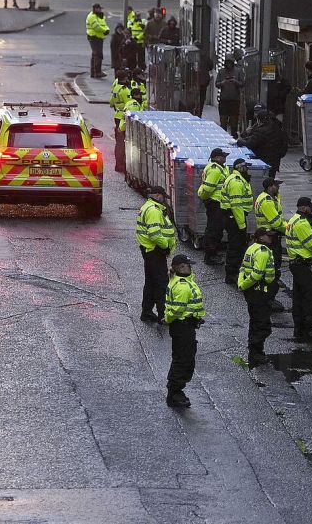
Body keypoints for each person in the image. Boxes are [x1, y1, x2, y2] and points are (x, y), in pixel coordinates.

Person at [164, 254, 205, 408]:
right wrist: (170, 319)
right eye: (187, 265)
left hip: (185, 326)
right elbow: (177, 310)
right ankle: (174, 393)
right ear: (180, 267)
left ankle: (175, 391)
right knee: (183, 360)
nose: (190, 267)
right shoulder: (182, 286)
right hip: (182, 327)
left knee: (184, 358)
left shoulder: (183, 281)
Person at [285, 197, 312, 342]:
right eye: (310, 207)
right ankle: (309, 329)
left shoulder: (295, 220)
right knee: (311, 296)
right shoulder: (302, 223)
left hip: (297, 263)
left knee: (299, 297)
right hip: (303, 264)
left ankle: (300, 329)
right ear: (304, 208)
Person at [136, 185, 175, 323]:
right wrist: (165, 247)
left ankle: (146, 312)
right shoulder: (153, 210)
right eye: (163, 196)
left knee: (151, 283)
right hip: (155, 250)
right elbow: (155, 234)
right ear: (157, 195)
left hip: (150, 250)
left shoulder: (149, 207)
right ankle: (163, 314)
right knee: (161, 283)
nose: (164, 199)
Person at [238, 228, 277, 365]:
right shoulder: (262, 251)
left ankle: (255, 351)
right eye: (268, 236)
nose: (271, 238)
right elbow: (257, 274)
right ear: (261, 237)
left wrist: (242, 284)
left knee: (256, 322)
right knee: (261, 324)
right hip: (259, 292)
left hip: (252, 292)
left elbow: (242, 268)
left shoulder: (252, 248)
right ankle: (256, 353)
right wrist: (245, 285)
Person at [254, 178, 286, 311]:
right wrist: (289, 230)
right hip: (269, 238)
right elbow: (276, 222)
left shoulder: (268, 198)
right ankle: (268, 299)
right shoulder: (267, 201)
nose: (278, 187)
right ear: (269, 187)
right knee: (271, 269)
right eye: (276, 186)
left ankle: (267, 297)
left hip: (269, 236)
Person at [221, 158, 252, 284]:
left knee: (238, 245)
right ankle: (231, 274)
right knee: (235, 246)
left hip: (234, 217)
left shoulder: (238, 179)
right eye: (245, 167)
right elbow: (236, 206)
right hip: (234, 218)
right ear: (239, 168)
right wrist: (242, 225)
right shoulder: (236, 182)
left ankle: (236, 270)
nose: (247, 169)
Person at [196, 148, 229, 265]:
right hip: (215, 203)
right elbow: (208, 188)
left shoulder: (219, 168)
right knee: (214, 230)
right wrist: (205, 197)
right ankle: (210, 256)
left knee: (215, 229)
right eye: (223, 156)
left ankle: (212, 252)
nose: (225, 158)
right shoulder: (215, 170)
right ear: (216, 157)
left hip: (217, 202)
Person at [236, 109, 288, 177]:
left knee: (264, 181)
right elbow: (284, 144)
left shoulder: (261, 130)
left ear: (259, 120)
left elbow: (250, 143)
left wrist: (239, 141)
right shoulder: (277, 128)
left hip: (263, 160)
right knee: (271, 179)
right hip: (275, 161)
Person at [215, 59, 244, 138]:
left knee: (234, 121)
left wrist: (235, 82)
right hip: (224, 100)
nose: (229, 65)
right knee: (223, 120)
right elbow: (216, 83)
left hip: (234, 100)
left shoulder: (238, 71)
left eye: (230, 63)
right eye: (227, 63)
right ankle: (223, 136)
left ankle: (233, 136)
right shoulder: (221, 71)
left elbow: (242, 83)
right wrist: (222, 83)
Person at [110, 69, 130, 173]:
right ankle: (122, 164)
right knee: (124, 142)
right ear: (124, 78)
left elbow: (111, 103)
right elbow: (129, 103)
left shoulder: (116, 88)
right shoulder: (125, 90)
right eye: (127, 77)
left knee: (119, 142)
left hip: (117, 115)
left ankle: (119, 163)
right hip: (124, 117)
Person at [86, 4, 110, 79]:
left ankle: (94, 72)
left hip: (99, 37)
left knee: (95, 54)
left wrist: (106, 29)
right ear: (95, 9)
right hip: (94, 37)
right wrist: (105, 31)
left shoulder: (99, 16)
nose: (100, 10)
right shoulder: (92, 16)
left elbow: (104, 24)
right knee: (98, 54)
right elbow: (96, 27)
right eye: (99, 9)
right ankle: (97, 72)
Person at [194, 42, 214, 117]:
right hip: (203, 82)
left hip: (194, 82)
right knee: (201, 99)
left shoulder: (192, 56)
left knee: (195, 99)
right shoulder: (205, 56)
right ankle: (199, 114)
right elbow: (211, 66)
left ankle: (195, 113)